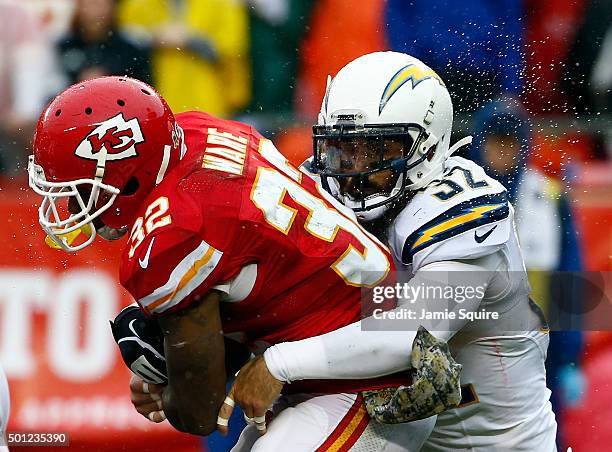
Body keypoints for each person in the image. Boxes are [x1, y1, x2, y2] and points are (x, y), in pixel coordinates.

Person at [27, 76, 452, 451]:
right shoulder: (192, 133)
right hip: (345, 338)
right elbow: (256, 281)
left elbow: (198, 413)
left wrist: (169, 388)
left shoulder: (174, 233)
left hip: (369, 375)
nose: (68, 204)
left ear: (126, 172)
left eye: (79, 187)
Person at [224, 52, 558, 451]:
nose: (355, 171)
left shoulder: (455, 208)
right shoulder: (325, 190)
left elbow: (412, 335)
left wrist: (280, 365)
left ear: (427, 145)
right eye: (345, 149)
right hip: (391, 424)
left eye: (376, 150)